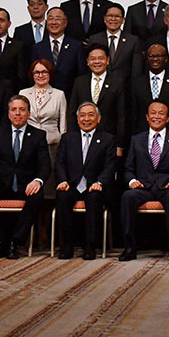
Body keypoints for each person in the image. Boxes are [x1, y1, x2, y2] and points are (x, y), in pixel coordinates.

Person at [0, 96, 51, 258]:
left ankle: (15, 242)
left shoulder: (38, 135)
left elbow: (45, 166)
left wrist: (38, 181)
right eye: (14, 110)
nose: (18, 113)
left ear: (28, 113)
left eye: (22, 110)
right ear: (9, 113)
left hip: (26, 184)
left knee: (37, 196)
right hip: (3, 183)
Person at [119, 100, 169, 262]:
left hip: (166, 186)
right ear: (146, 117)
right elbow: (128, 168)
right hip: (143, 186)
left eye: (161, 113)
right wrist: (131, 181)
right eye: (153, 113)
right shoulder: (136, 139)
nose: (156, 116)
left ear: (168, 118)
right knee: (127, 196)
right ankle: (129, 247)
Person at [53, 102, 115, 259]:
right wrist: (63, 180)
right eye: (82, 115)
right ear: (77, 118)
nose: (86, 119)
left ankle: (90, 247)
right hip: (72, 184)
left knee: (94, 199)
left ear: (99, 118)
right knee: (63, 197)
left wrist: (100, 182)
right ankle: (66, 247)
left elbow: (110, 165)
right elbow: (59, 162)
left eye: (91, 115)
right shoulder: (68, 138)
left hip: (94, 185)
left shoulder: (107, 139)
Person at [68, 44, 128, 156]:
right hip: (83, 139)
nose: (97, 62)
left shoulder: (117, 82)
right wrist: (72, 139)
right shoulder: (79, 82)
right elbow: (72, 112)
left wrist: (120, 144)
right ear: (87, 61)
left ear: (108, 60)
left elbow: (121, 115)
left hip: (109, 139)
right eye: (93, 59)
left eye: (101, 58)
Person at [19, 58, 68, 178]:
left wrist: (62, 142)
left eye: (44, 72)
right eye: (37, 72)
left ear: (50, 74)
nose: (40, 75)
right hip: (28, 143)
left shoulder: (59, 94)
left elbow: (63, 123)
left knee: (49, 177)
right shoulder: (23, 93)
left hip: (52, 143)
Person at [129, 43, 169, 138]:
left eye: (159, 56)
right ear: (147, 59)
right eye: (151, 56)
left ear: (166, 59)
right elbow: (133, 114)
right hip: (142, 137)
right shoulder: (137, 83)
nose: (155, 59)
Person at [31, 7, 86, 92]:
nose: (54, 22)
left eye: (58, 19)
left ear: (65, 23)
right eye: (50, 19)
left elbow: (81, 74)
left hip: (70, 96)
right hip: (44, 96)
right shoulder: (37, 48)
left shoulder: (76, 46)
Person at [89, 3, 143, 78]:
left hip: (125, 87)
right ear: (104, 19)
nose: (113, 19)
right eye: (110, 16)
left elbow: (136, 70)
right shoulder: (94, 39)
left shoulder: (133, 41)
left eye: (117, 16)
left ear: (123, 20)